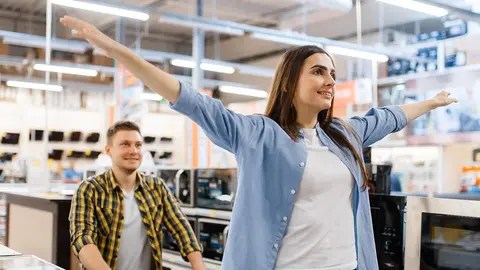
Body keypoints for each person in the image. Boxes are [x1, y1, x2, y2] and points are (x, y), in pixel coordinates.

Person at [60, 16, 458, 270]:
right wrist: (116, 51)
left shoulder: (344, 135)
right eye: (318, 71)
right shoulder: (258, 134)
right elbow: (189, 99)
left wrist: (431, 102)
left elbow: (387, 117)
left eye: (332, 73)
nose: (330, 81)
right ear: (291, 81)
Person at [69, 120, 205, 270]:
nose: (133, 151)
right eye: (125, 144)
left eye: (138, 145)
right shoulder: (89, 190)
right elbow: (82, 239)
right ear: (108, 150)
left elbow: (182, 229)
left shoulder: (156, 187)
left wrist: (199, 265)